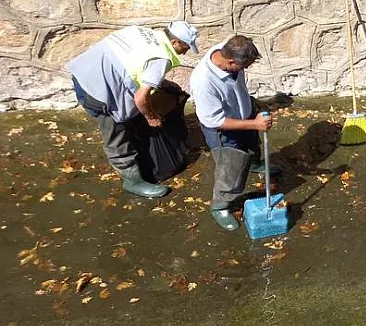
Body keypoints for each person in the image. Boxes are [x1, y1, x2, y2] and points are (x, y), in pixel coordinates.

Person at [66, 21, 200, 198]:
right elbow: (140, 98)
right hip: (98, 94)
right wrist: (151, 117)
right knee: (117, 134)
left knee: (130, 117)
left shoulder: (140, 32)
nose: (186, 51)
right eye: (185, 46)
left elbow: (134, 67)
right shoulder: (161, 58)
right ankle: (132, 181)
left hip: (82, 74)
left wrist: (161, 84)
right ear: (175, 42)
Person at [190, 35, 280, 231]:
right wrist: (255, 124)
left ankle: (255, 164)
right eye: (244, 66)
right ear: (231, 62)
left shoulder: (225, 50)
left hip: (243, 113)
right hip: (224, 132)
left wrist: (251, 118)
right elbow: (214, 121)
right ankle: (220, 206)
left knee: (252, 146)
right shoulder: (204, 82)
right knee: (230, 168)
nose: (246, 69)